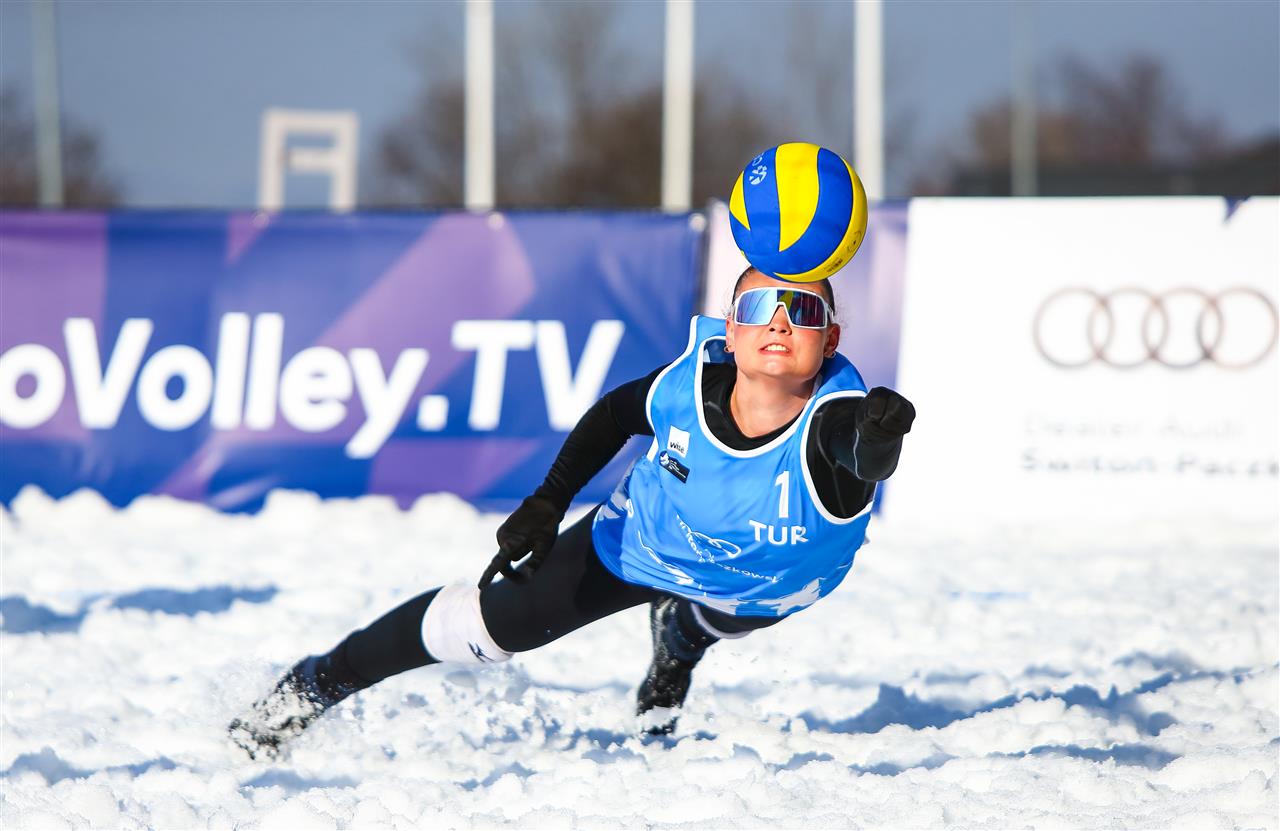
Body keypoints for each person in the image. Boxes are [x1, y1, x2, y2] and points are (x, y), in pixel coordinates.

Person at [229, 266, 915, 760]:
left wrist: (880, 439)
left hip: (762, 581)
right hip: (639, 541)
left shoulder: (839, 420)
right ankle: (311, 684)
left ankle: (678, 639)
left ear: (830, 343)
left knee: (702, 624)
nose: (780, 320)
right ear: (729, 331)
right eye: (762, 303)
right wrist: (547, 501)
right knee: (483, 626)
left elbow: (862, 455)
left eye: (804, 310)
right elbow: (613, 415)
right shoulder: (685, 384)